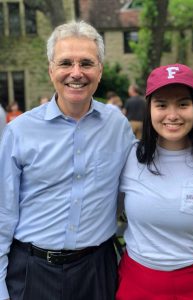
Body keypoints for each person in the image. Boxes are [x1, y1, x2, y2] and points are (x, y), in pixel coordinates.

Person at [0, 20, 134, 300]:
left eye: (86, 63)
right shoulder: (19, 131)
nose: (76, 73)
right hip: (32, 271)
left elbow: (143, 177)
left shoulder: (117, 126)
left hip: (97, 269)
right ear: (51, 70)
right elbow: (2, 214)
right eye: (65, 63)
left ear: (100, 70)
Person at [116, 64, 193, 300]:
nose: (172, 115)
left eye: (183, 104)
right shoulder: (128, 157)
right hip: (137, 285)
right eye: (162, 104)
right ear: (149, 110)